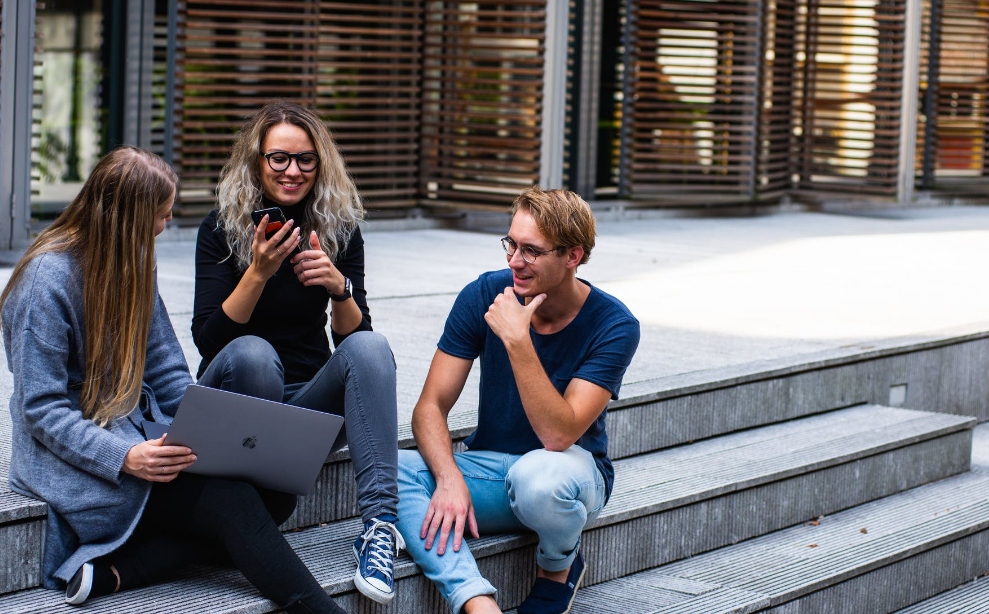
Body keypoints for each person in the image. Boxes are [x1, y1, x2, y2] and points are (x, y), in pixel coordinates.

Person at [0, 147, 349, 613]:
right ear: (127, 218)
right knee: (232, 503)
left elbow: (166, 370)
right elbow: (40, 410)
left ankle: (123, 570)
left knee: (277, 497)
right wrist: (124, 456)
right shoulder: (46, 281)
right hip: (76, 460)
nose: (165, 226)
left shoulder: (135, 261)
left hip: (141, 438)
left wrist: (197, 429)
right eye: (160, 216)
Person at [192, 100, 402, 605]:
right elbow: (209, 340)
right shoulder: (220, 229)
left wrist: (339, 288)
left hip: (305, 409)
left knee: (372, 348)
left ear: (321, 162)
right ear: (256, 161)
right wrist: (258, 272)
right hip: (238, 398)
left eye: (305, 159)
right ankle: (248, 509)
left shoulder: (339, 228)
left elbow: (355, 344)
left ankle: (378, 529)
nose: (292, 171)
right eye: (278, 158)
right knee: (254, 355)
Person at [395, 187, 641, 614]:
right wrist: (450, 478)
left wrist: (517, 339)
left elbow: (558, 434)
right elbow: (430, 406)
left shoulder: (614, 324)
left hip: (568, 476)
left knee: (538, 478)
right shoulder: (485, 293)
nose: (513, 261)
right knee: (390, 469)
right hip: (491, 467)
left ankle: (556, 570)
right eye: (511, 244)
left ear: (573, 256)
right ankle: (474, 599)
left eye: (531, 251)